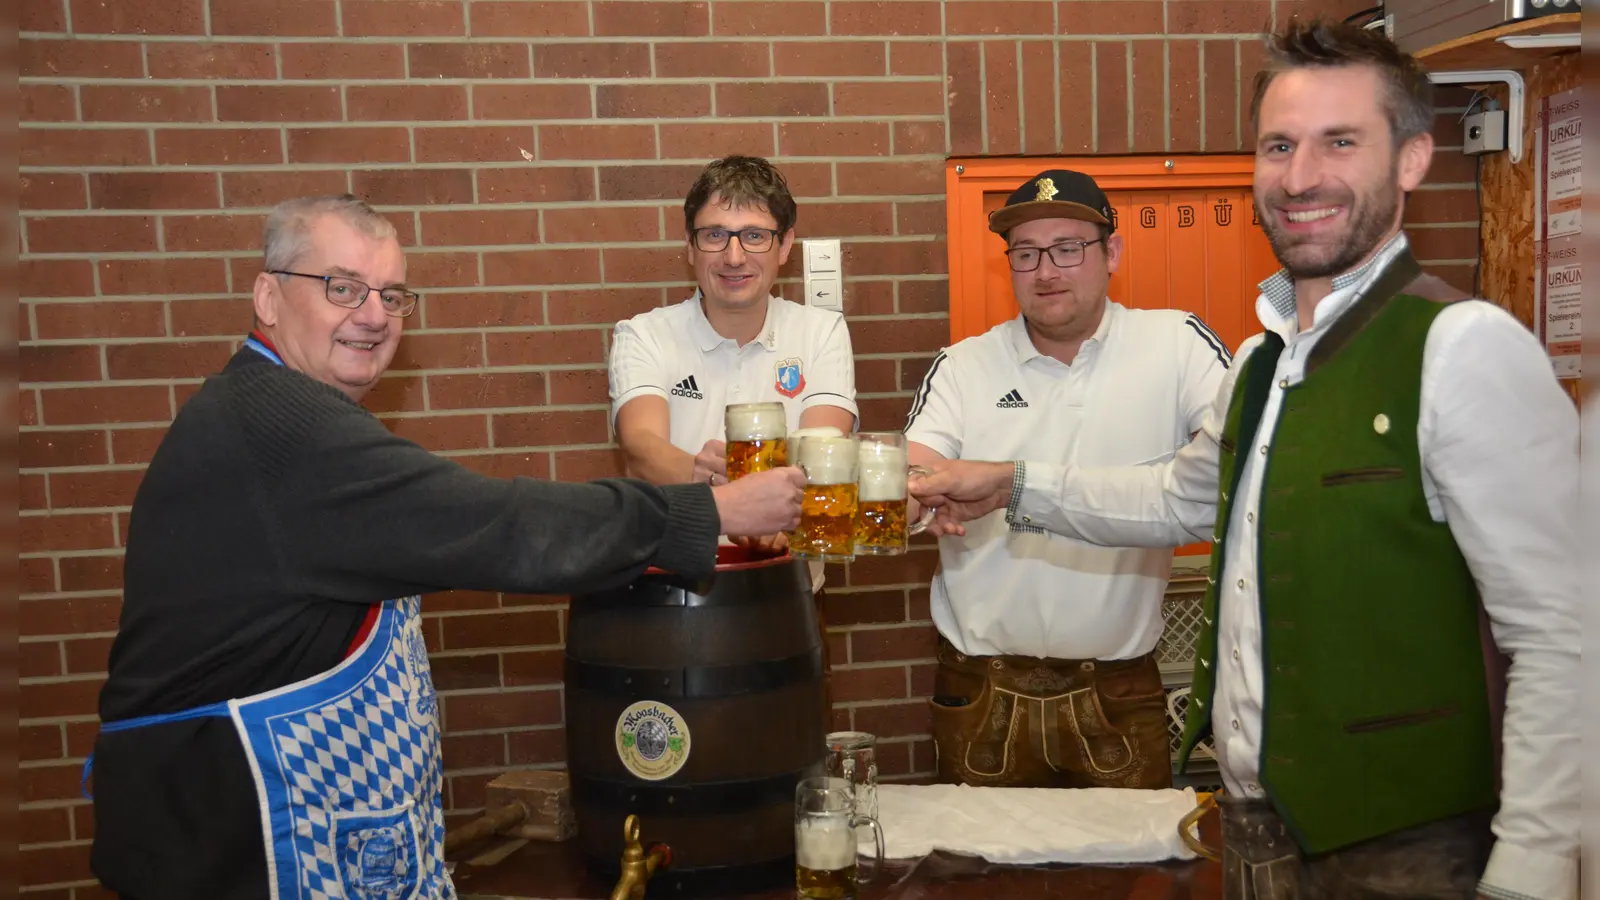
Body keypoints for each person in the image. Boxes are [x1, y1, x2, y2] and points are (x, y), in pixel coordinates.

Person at [910, 20, 1577, 900]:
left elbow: (1567, 634)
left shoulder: (1462, 346)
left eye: (1341, 142)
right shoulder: (1263, 364)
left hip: (1402, 847)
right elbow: (1174, 501)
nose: (1301, 177)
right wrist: (1012, 483)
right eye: (1278, 146)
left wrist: (1532, 869)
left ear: (1412, 159)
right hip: (1257, 830)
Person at [86, 194, 806, 900]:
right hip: (238, 840)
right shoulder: (282, 429)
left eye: (392, 295)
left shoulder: (281, 414)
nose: (372, 315)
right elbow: (500, 523)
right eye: (342, 288)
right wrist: (710, 512)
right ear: (268, 297)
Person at [902, 168, 1231, 791]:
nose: (1046, 270)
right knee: (975, 879)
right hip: (980, 691)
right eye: (1025, 253)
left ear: (1112, 253)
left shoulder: (1176, 344)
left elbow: (1234, 481)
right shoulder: (963, 365)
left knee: (1139, 883)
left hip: (1119, 690)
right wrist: (908, 493)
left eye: (1067, 248)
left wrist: (1002, 484)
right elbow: (916, 472)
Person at [607, 155, 859, 703]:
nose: (734, 255)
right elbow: (643, 449)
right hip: (670, 598)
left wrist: (778, 506)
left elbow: (824, 447)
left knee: (795, 775)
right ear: (690, 246)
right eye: (716, 234)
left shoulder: (821, 333)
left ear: (786, 246)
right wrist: (719, 486)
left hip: (787, 595)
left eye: (754, 236)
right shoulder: (644, 335)